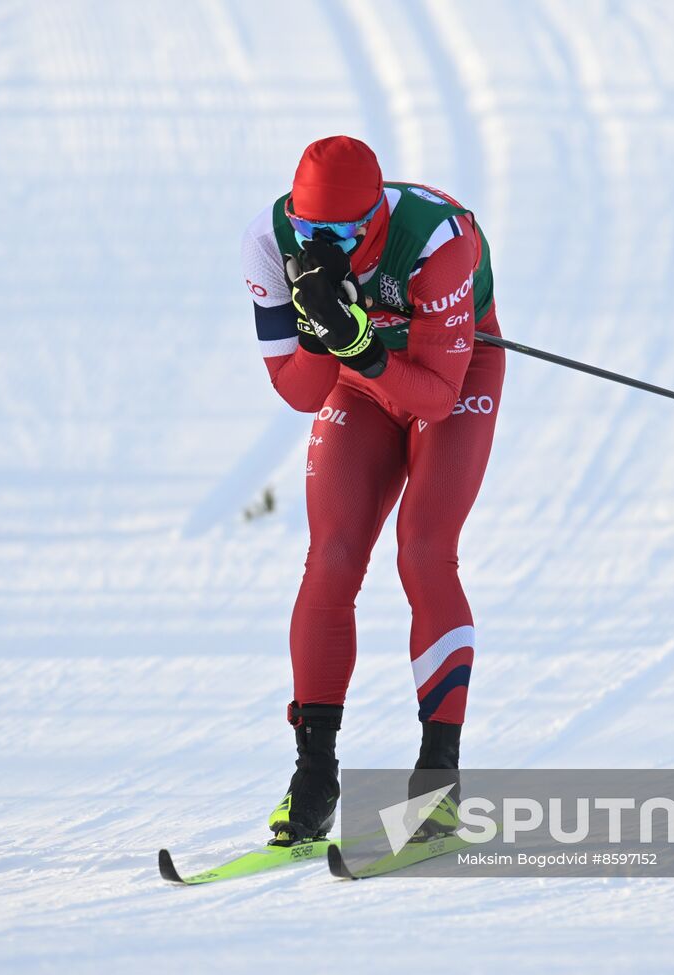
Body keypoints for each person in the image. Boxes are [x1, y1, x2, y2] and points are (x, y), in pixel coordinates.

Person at [239, 135, 506, 846]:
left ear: (376, 222)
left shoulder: (435, 241)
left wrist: (359, 342)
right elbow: (298, 392)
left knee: (422, 550)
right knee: (330, 558)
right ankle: (314, 778)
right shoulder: (269, 239)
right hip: (361, 381)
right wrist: (325, 339)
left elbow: (437, 398)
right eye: (309, 230)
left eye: (343, 235)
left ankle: (439, 780)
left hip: (452, 370)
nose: (322, 245)